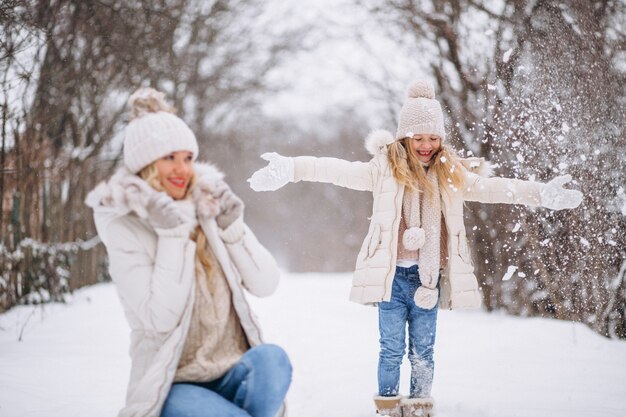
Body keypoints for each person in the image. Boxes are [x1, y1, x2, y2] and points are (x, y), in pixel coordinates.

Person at [247, 80, 582, 417]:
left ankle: (420, 406)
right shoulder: (383, 170)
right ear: (405, 137)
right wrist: (292, 168)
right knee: (391, 349)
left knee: (423, 351)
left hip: (428, 279)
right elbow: (335, 169)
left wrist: (540, 194)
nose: (426, 145)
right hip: (392, 277)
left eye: (433, 137)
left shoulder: (451, 174)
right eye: (419, 137)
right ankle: (389, 407)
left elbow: (492, 187)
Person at [86, 87, 291, 417]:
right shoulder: (125, 225)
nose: (182, 169)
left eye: (187, 158)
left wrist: (232, 227)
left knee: (273, 360)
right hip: (172, 385)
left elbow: (266, 284)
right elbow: (160, 319)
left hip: (230, 370)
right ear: (145, 165)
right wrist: (171, 234)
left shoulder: (207, 205)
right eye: (169, 158)